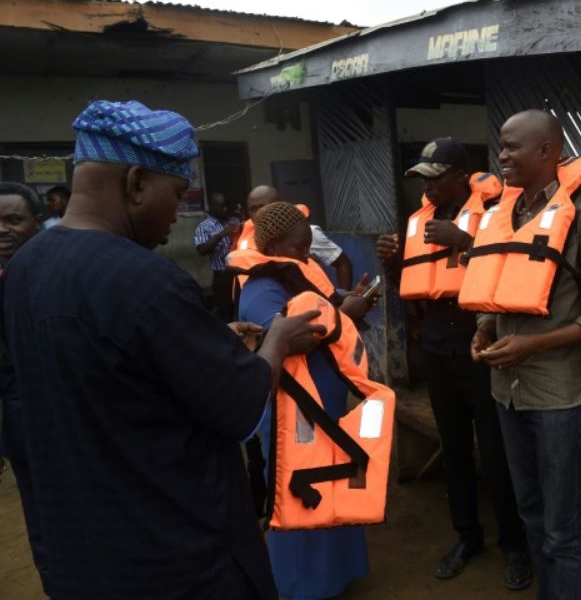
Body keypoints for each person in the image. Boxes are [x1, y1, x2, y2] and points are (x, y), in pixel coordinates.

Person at [0, 100, 328, 599]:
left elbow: (112, 372)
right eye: (175, 194)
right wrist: (277, 341)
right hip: (176, 558)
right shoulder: (148, 281)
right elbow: (240, 408)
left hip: (80, 553)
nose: (177, 213)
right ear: (135, 183)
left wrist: (210, 344)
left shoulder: (26, 268)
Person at [468, 110, 581, 599]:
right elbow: (500, 289)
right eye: (500, 146)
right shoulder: (507, 213)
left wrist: (534, 345)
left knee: (561, 526)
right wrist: (483, 327)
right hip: (507, 393)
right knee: (531, 512)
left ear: (547, 151)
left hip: (559, 396)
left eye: (512, 146)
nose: (502, 156)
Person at [376, 138, 530, 589]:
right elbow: (415, 281)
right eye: (422, 178)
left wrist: (465, 240)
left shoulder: (498, 213)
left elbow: (510, 266)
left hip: (481, 348)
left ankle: (514, 545)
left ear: (461, 175)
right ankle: (467, 537)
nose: (428, 186)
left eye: (435, 176)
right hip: (438, 352)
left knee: (498, 455)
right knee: (456, 450)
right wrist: (392, 263)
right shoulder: (421, 219)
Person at [237, 201, 370, 600]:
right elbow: (289, 345)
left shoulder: (294, 275)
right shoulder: (261, 290)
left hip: (325, 409)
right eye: (299, 247)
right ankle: (304, 587)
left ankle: (339, 575)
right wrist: (346, 314)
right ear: (274, 244)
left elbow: (323, 309)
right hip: (292, 418)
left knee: (334, 490)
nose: (307, 255)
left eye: (309, 246)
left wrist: (349, 304)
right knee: (299, 498)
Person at [0, 182, 48, 592]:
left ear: (37, 224)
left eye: (13, 220)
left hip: (55, 399)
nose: (2, 230)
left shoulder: (54, 275)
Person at [242, 185, 354, 289]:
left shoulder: (305, 233)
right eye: (252, 209)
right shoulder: (246, 238)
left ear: (280, 205)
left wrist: (343, 301)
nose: (257, 214)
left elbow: (343, 263)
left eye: (263, 207)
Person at [195, 190, 242, 320]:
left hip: (238, 275)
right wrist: (221, 234)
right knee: (225, 312)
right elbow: (202, 250)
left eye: (226, 205)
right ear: (212, 206)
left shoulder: (233, 220)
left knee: (240, 310)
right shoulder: (204, 227)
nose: (225, 209)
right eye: (221, 206)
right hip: (221, 278)